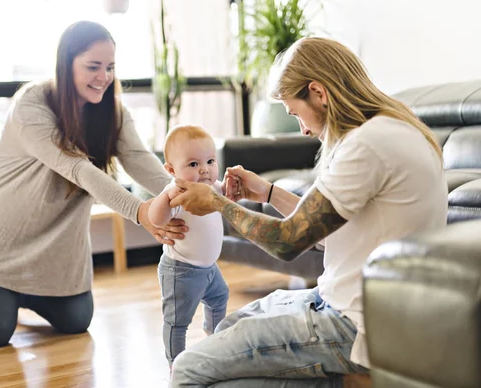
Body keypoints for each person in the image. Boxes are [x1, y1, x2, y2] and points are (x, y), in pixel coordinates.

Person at [169, 37, 448, 387]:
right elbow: (323, 230)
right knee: (228, 329)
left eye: (295, 113)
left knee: (187, 368)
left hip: (355, 323)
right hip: (350, 304)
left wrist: (217, 203)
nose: (302, 129)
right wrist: (266, 192)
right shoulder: (387, 128)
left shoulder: (367, 145)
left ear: (318, 92)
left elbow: (289, 242)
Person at [0, 20, 187, 348]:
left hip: (57, 238)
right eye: (93, 66)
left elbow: (137, 158)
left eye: (110, 67)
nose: (104, 77)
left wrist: (182, 192)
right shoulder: (32, 104)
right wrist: (141, 212)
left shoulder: (111, 111)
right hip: (2, 231)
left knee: (76, 322)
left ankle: (19, 294)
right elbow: (77, 168)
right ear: (65, 66)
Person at [148, 125, 229, 368]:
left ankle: (213, 337)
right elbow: (156, 219)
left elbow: (227, 199)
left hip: (210, 269)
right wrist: (165, 198)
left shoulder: (214, 188)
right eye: (193, 164)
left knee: (220, 297)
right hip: (181, 271)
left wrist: (231, 187)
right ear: (172, 170)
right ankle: (176, 363)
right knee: (177, 321)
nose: (204, 169)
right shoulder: (177, 193)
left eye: (210, 161)